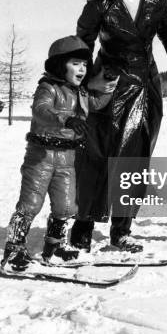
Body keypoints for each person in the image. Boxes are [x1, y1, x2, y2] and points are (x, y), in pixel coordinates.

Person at [70, 0, 167, 253]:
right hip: (106, 83)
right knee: (95, 153)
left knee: (134, 156)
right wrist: (80, 81)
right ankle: (84, 221)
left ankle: (122, 228)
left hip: (145, 83)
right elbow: (83, 41)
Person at [1, 36, 111, 270]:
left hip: (67, 158)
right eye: (75, 63)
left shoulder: (80, 93)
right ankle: (14, 250)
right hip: (41, 156)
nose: (81, 69)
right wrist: (66, 119)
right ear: (60, 65)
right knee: (30, 203)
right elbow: (41, 111)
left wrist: (107, 86)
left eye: (84, 64)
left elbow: (97, 102)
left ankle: (55, 246)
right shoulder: (47, 87)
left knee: (67, 207)